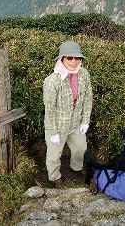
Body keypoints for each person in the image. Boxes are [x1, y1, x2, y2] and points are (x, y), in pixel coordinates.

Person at [43, 40, 93, 183]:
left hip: (76, 123)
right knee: (54, 155)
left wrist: (85, 121)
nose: (73, 61)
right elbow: (50, 108)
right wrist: (53, 132)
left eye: (77, 58)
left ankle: (76, 169)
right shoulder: (52, 81)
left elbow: (88, 98)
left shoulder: (84, 74)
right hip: (58, 126)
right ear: (62, 59)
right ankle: (54, 178)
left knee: (81, 148)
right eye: (69, 58)